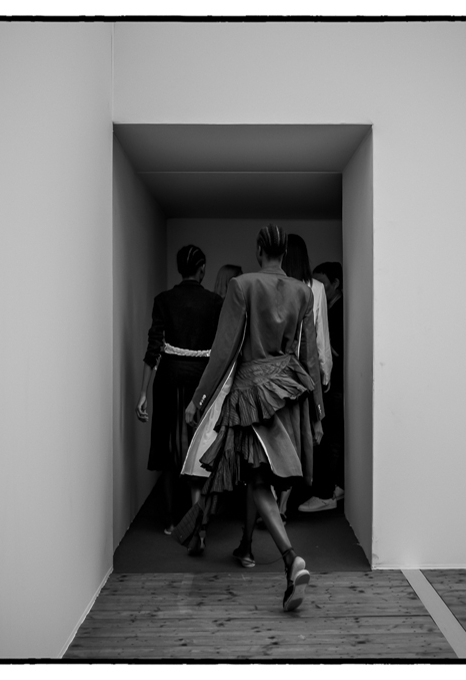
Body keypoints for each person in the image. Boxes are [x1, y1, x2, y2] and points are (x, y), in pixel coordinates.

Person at [183, 224, 323, 612]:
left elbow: (223, 351)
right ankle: (246, 545)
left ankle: (290, 559)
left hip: (252, 396)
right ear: (284, 252)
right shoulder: (303, 292)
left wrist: (198, 400)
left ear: (260, 249)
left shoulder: (241, 286)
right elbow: (310, 357)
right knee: (256, 473)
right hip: (289, 393)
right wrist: (317, 414)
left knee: (258, 479)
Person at [136, 245, 224, 534]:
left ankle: (171, 521)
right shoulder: (215, 302)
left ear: (179, 268)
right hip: (202, 383)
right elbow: (221, 349)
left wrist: (143, 393)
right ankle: (197, 520)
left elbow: (153, 349)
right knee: (199, 446)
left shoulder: (163, 300)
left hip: (169, 380)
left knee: (169, 450)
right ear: (202, 268)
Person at [274, 234, 332, 520]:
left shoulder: (273, 285)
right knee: (301, 436)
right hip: (304, 373)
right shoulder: (316, 288)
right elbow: (319, 336)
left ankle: (274, 499)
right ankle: (283, 505)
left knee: (277, 435)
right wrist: (325, 373)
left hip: (274, 371)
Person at [299, 261, 345, 513]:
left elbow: (331, 350)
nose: (318, 289)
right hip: (328, 382)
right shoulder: (330, 306)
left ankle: (326, 493)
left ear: (336, 284)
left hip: (332, 384)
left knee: (330, 439)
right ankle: (332, 488)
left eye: (323, 284)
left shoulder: (339, 311)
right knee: (328, 437)